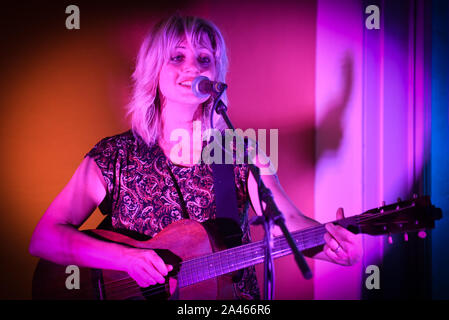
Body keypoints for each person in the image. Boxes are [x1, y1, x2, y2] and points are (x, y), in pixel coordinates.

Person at [29, 14, 362, 300]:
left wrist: (325, 240)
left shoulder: (240, 152)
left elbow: (284, 222)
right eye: (177, 57)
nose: (193, 67)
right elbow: (45, 237)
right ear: (152, 70)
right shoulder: (115, 156)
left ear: (215, 77)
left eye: (204, 59)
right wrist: (126, 259)